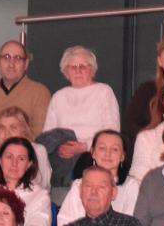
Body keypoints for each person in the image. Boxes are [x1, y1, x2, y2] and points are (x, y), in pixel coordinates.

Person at [36, 45, 120, 185]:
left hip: (92, 153)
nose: (78, 71)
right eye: (73, 67)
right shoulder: (58, 96)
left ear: (92, 70)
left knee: (84, 163)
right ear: (66, 72)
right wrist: (61, 150)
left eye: (83, 66)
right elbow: (48, 134)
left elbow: (112, 132)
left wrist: (84, 146)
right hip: (62, 153)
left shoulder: (104, 92)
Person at [58, 129, 140, 225]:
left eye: (114, 149)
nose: (107, 154)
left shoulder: (132, 186)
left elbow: (131, 223)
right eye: (102, 148)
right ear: (93, 153)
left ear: (122, 156)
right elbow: (65, 221)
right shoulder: (79, 184)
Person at [0, 106, 55, 192]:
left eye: (13, 128)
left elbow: (43, 186)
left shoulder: (37, 150)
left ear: (24, 131)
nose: (6, 133)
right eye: (2, 128)